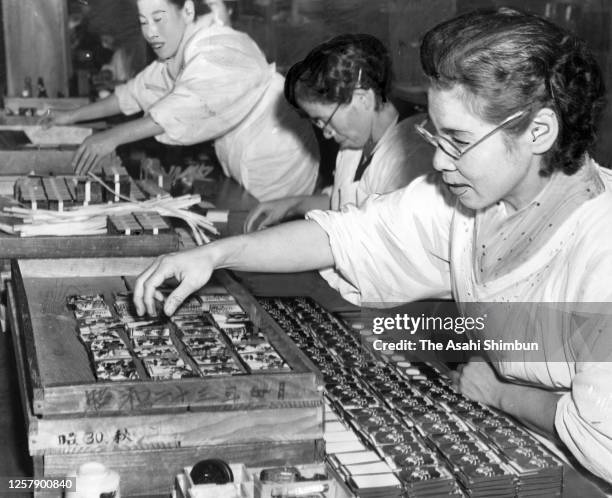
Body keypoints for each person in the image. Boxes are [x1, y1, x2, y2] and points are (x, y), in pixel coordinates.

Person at [133, 8, 612, 483]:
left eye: (459, 140)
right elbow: (346, 234)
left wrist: (504, 394)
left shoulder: (602, 247)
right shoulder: (471, 202)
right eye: (435, 135)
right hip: (511, 446)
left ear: (539, 131)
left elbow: (603, 439)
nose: (441, 162)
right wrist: (216, 254)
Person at [44, 0, 319, 202]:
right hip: (241, 152)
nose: (151, 32)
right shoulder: (179, 52)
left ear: (187, 11)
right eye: (143, 22)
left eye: (159, 18)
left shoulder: (217, 48)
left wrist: (111, 137)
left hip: (277, 154)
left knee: (262, 236)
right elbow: (132, 93)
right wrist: (71, 116)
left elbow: (181, 108)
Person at [243, 34, 432, 232]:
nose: (326, 133)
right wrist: (291, 205)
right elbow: (345, 202)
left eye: (326, 119)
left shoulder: (410, 161)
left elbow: (373, 242)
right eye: (318, 122)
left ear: (363, 99)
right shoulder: (355, 141)